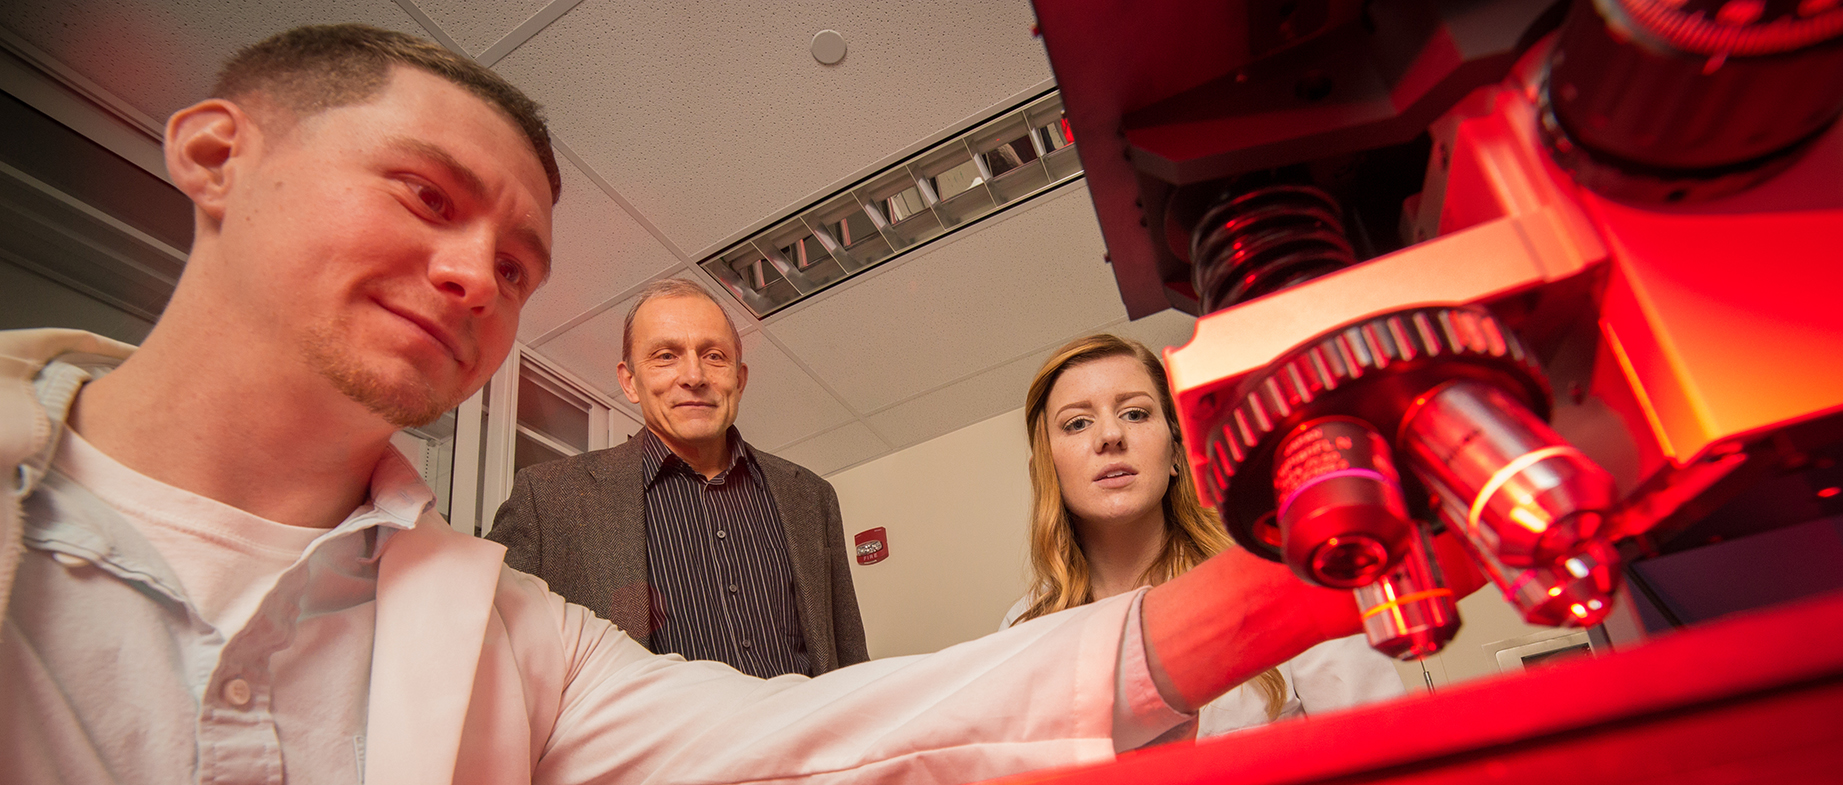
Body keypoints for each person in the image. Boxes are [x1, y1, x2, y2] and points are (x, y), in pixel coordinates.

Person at [0, 23, 1469, 785]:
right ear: (210, 152)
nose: (473, 277)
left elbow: (844, 722)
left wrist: (1342, 552)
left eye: (518, 263)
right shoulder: (546, 536)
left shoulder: (502, 632)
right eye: (424, 196)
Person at [1003, 334, 1407, 737]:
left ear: (1176, 452)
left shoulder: (1285, 576)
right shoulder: (1022, 633)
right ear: (1048, 470)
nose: (1111, 435)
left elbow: (1383, 743)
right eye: (1077, 423)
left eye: (1135, 414)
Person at [486, 278, 868, 678]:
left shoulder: (809, 496)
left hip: (810, 735)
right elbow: (493, 661)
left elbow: (850, 657)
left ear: (739, 379)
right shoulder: (549, 499)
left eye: (714, 356)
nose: (694, 376)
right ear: (630, 382)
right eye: (666, 356)